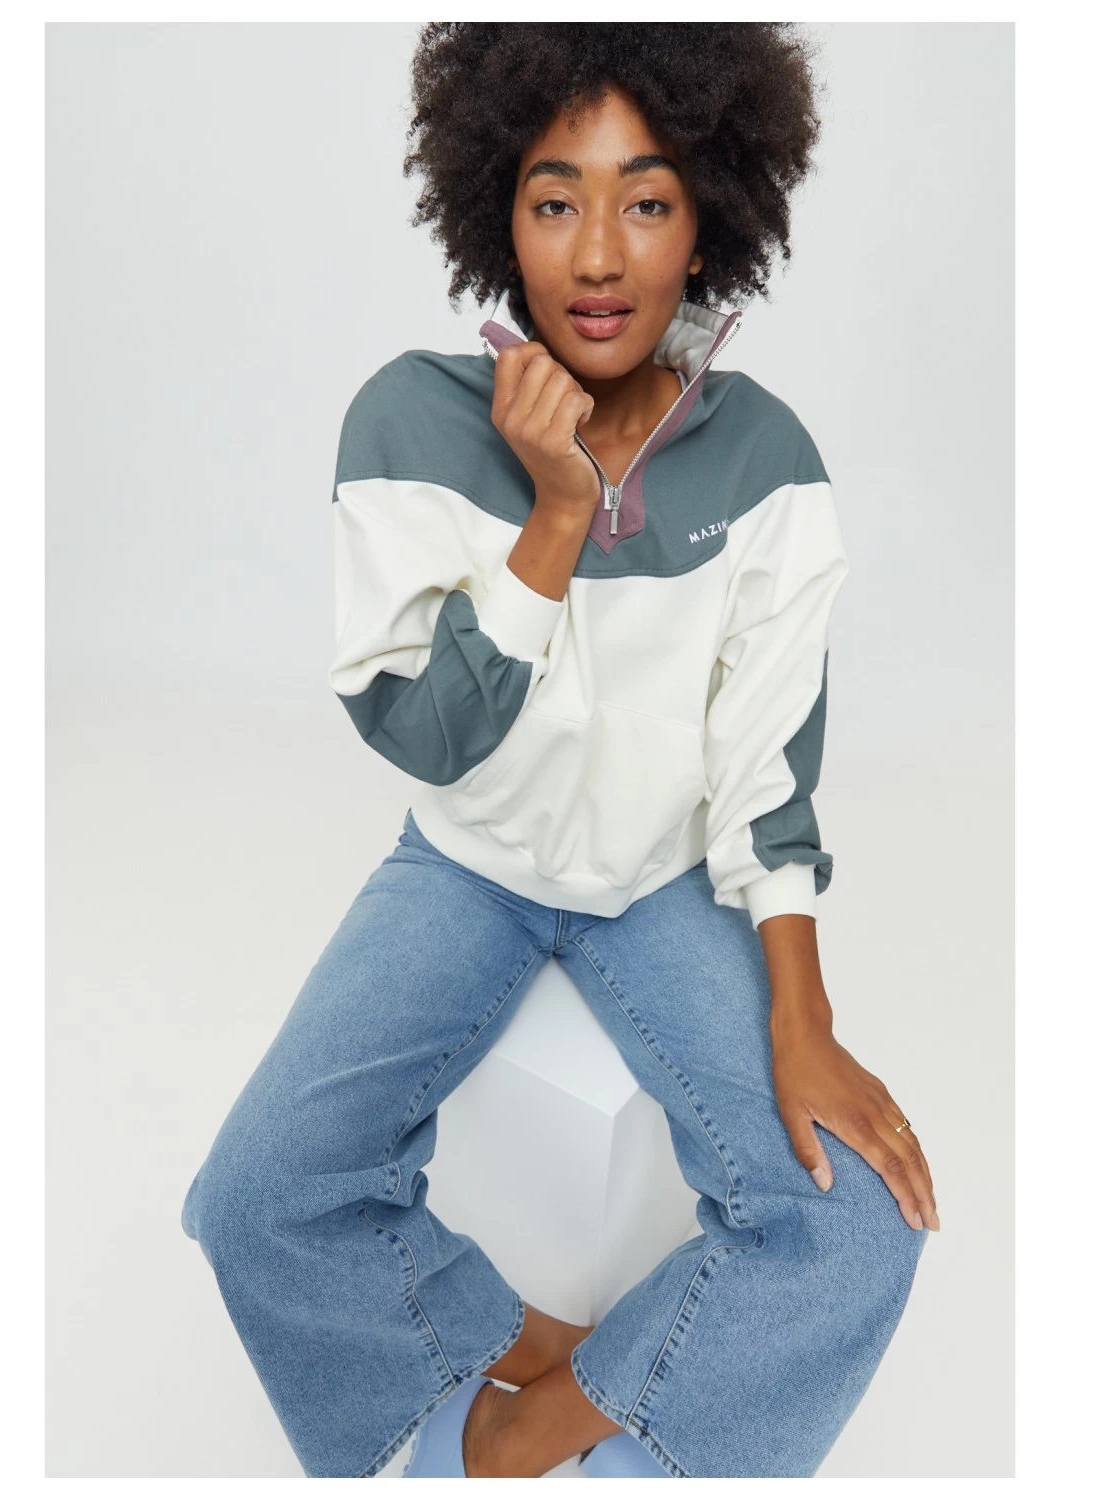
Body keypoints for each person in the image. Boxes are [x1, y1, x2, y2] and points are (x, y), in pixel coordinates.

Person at [181, 22, 937, 1479]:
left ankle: (547, 1416)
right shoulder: (407, 420)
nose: (598, 255)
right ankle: (530, 1355)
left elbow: (769, 767)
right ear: (498, 216)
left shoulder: (771, 465)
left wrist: (804, 1017)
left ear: (708, 220)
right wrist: (553, 513)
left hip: (665, 882)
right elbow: (428, 737)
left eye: (646, 201)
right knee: (256, 1197)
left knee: (859, 1226)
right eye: (553, 199)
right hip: (466, 865)